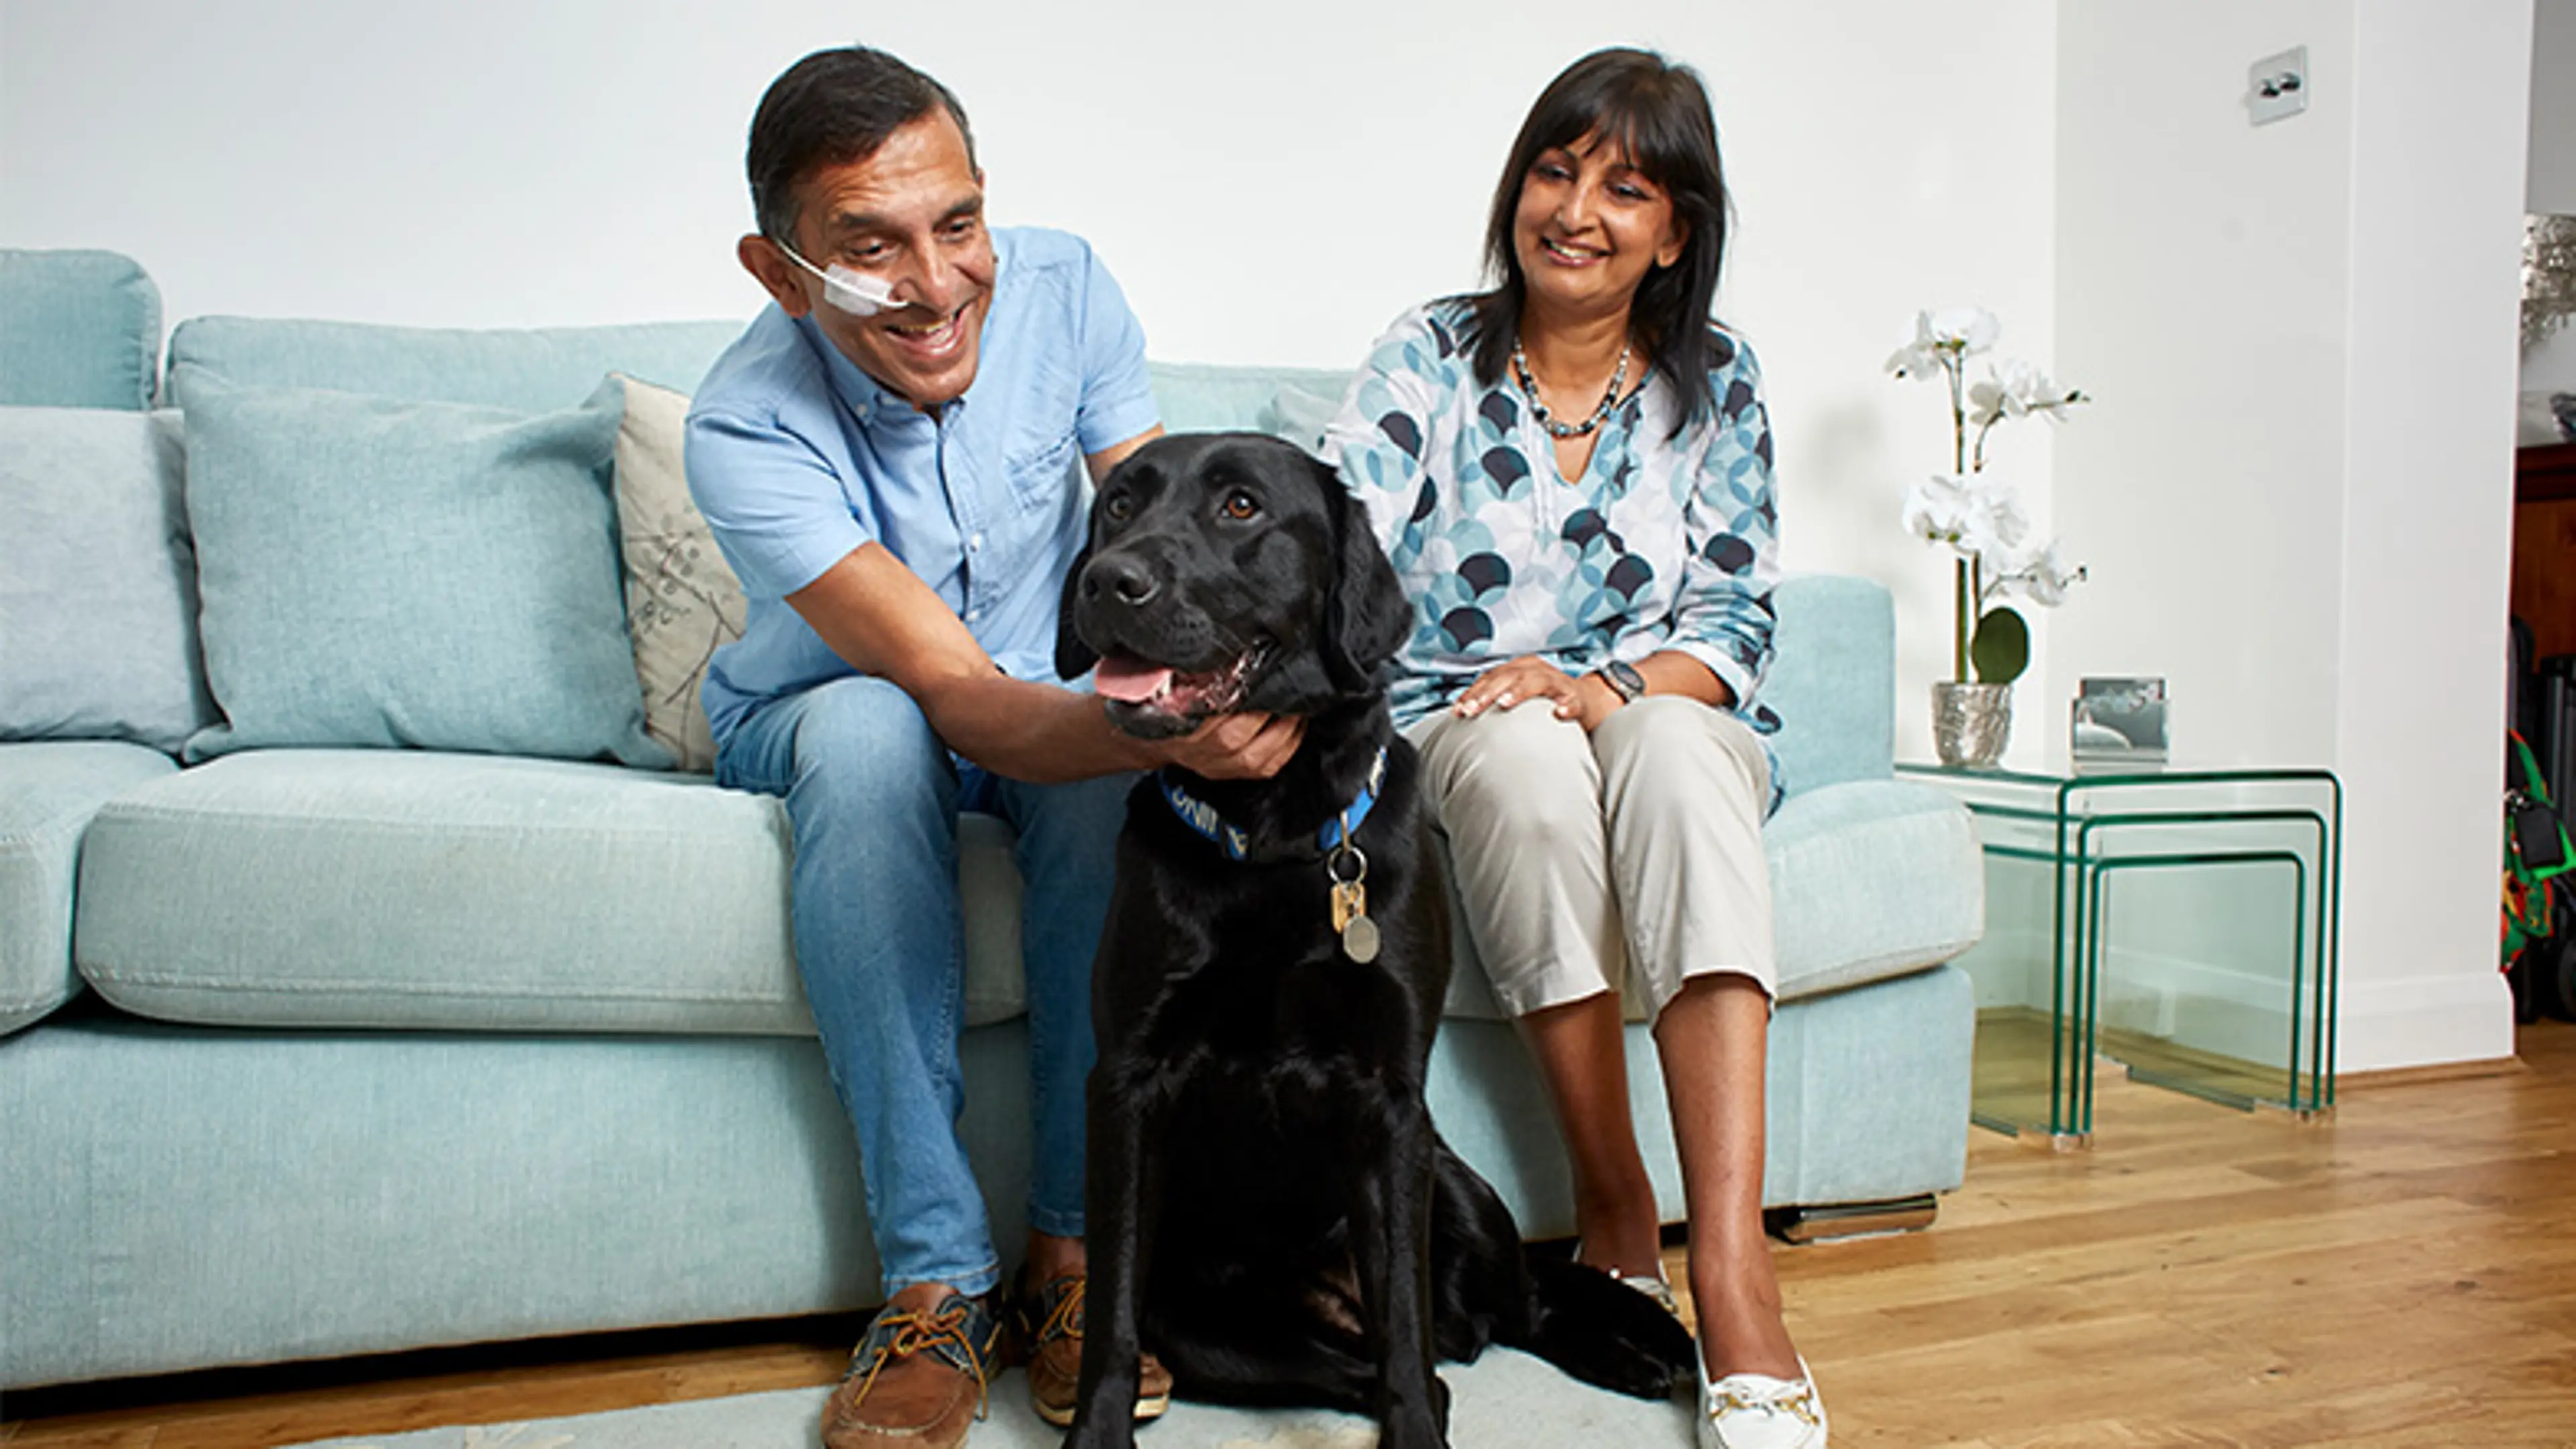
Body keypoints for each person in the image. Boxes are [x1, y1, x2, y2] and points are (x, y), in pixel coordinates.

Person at [685, 46, 1301, 1449]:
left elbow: (1163, 532)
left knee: (1099, 783)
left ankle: (1080, 1264)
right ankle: (933, 1287)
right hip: (842, 707)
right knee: (871, 730)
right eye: (870, 248)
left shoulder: (1066, 286)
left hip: (1040, 685)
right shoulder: (741, 421)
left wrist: (1219, 690)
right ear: (782, 273)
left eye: (956, 224)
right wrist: (1157, 733)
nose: (937, 281)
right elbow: (953, 694)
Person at [1326, 48, 1825, 1449]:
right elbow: (1337, 540)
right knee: (1531, 750)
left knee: (1666, 746)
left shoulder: (1719, 381)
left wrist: (1603, 684)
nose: (1578, 209)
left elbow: (1734, 612)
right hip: (1464, 724)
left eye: (1626, 186)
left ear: (1676, 230)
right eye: (1556, 169)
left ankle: (1730, 1265)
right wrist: (1538, 697)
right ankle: (1612, 1199)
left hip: (1657, 709)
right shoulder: (1429, 350)